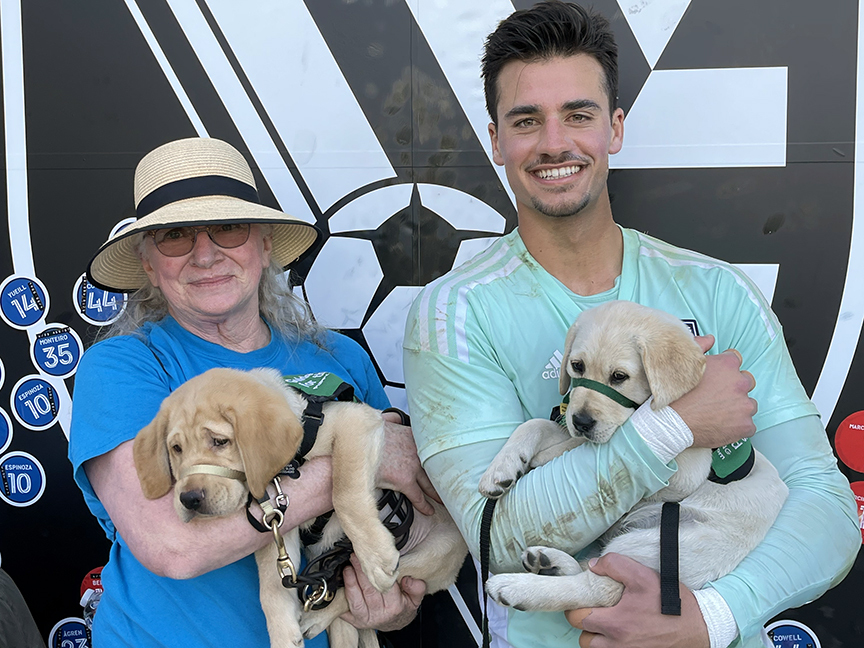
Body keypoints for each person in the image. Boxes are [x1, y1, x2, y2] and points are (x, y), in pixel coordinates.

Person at [402, 2, 860, 648]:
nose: (555, 142)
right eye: (527, 120)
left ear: (614, 128)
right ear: (496, 139)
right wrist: (676, 424)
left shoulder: (717, 290)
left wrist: (713, 616)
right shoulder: (455, 314)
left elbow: (828, 506)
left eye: (579, 115)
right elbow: (497, 536)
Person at [69, 136, 435, 647]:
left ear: (263, 245)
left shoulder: (340, 357)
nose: (205, 254)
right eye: (175, 236)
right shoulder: (124, 368)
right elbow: (172, 546)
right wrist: (357, 459)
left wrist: (389, 604)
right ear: (149, 265)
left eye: (227, 228)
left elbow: (404, 536)